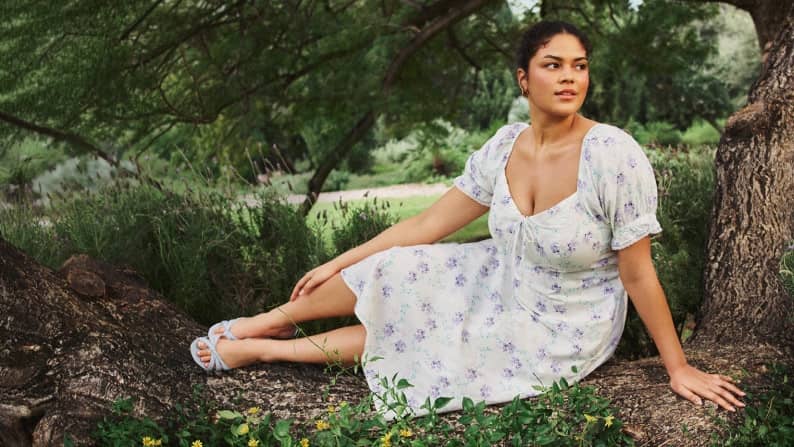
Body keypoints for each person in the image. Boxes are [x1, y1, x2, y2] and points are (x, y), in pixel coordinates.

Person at [191, 20, 746, 418]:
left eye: (579, 66)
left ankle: (265, 349)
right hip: (502, 273)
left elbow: (638, 274)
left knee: (427, 342)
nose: (569, 77)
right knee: (399, 270)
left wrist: (677, 367)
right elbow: (424, 226)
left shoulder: (613, 155)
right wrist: (340, 259)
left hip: (566, 319)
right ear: (523, 79)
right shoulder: (505, 145)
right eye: (552, 65)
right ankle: (270, 319)